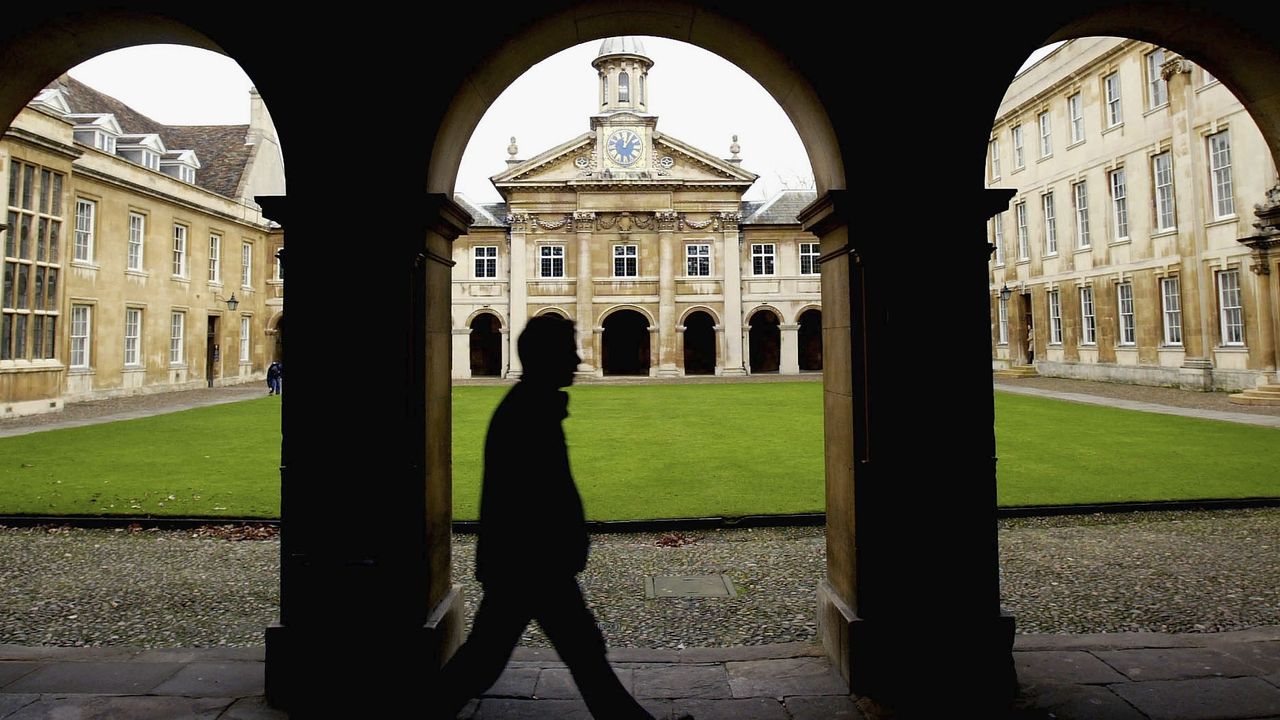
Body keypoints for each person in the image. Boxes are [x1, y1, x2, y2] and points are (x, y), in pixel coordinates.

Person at [429, 315, 685, 720]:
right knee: (503, 661)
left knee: (573, 657)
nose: (578, 360)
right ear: (545, 357)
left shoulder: (534, 405)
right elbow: (534, 497)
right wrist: (564, 544)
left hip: (527, 563)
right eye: (568, 351)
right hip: (530, 564)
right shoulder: (529, 411)